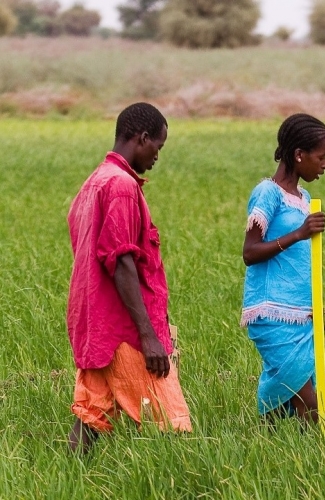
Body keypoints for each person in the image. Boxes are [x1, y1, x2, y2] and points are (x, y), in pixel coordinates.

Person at [66, 102, 191, 453]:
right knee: (170, 421)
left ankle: (68, 477)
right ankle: (176, 481)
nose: (157, 156)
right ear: (143, 138)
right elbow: (121, 262)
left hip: (94, 324)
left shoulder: (94, 182)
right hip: (123, 328)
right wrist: (148, 336)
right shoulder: (120, 186)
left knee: (92, 413)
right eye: (158, 147)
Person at [241, 114, 325, 424]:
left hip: (300, 313)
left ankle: (267, 446)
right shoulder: (268, 193)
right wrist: (298, 233)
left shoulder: (303, 198)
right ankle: (319, 451)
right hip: (271, 312)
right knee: (309, 402)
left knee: (285, 402)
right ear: (299, 154)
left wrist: (314, 305)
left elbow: (301, 263)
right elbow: (250, 252)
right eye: (321, 157)